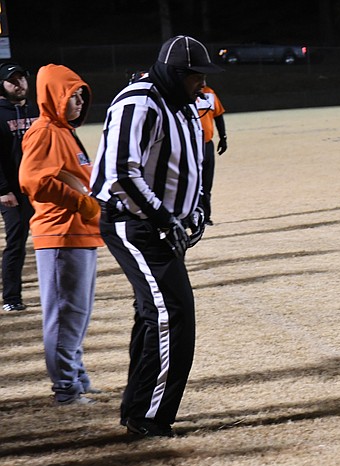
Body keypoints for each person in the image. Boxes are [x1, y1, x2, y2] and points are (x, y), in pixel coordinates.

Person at [91, 35, 222, 438]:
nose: (202, 85)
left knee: (155, 314)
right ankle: (149, 416)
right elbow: (119, 175)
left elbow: (192, 162)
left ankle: (138, 409)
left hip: (159, 226)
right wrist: (166, 219)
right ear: (176, 73)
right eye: (196, 77)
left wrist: (196, 209)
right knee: (172, 313)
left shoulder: (180, 103)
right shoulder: (139, 101)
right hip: (134, 224)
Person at [19, 64, 103, 406]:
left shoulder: (63, 131)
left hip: (80, 234)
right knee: (65, 315)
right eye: (72, 95)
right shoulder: (44, 131)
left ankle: (78, 379)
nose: (80, 102)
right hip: (60, 235)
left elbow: (77, 176)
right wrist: (81, 203)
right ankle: (66, 390)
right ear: (55, 96)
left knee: (76, 315)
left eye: (82, 95)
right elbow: (32, 180)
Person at [0, 62, 38, 312]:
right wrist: (3, 190)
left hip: (36, 188)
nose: (19, 84)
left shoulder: (36, 110)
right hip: (11, 191)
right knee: (16, 241)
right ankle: (12, 298)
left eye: (21, 78)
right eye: (12, 80)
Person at [195, 84, 227, 225]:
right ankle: (193, 215)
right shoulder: (183, 94)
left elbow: (218, 116)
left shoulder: (210, 94)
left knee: (207, 184)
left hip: (207, 144)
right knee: (194, 184)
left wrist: (223, 137)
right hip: (192, 146)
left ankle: (206, 217)